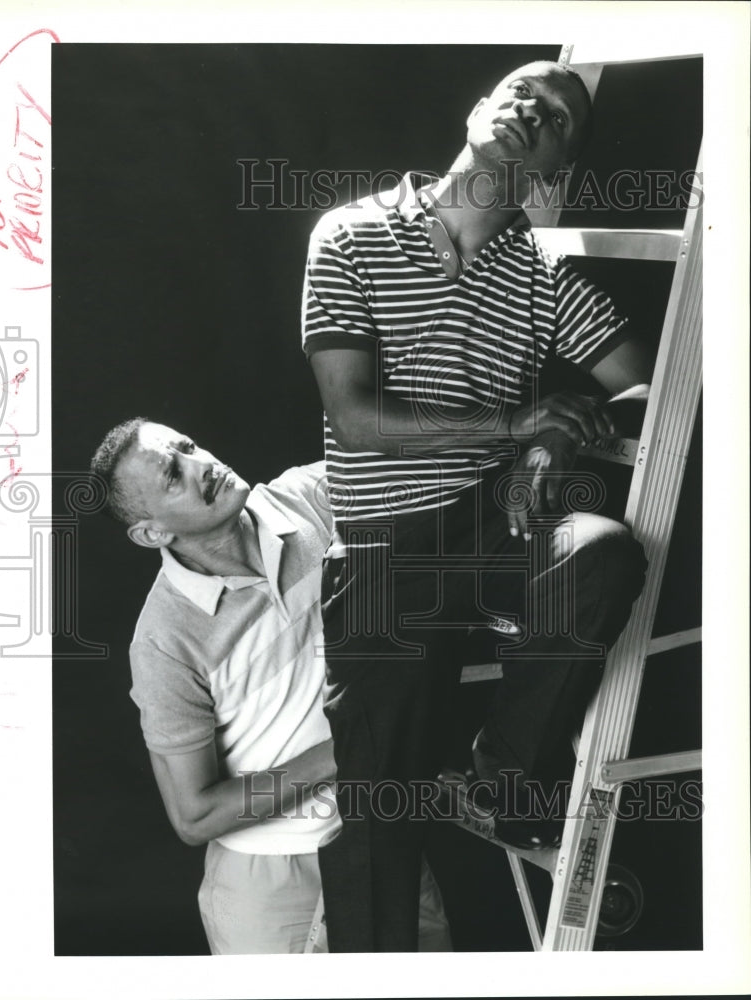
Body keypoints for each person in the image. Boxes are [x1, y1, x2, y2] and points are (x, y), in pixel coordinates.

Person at [301, 60, 650, 951]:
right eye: (522, 90)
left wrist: (559, 437)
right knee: (377, 827)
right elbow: (358, 418)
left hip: (489, 536)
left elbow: (646, 383)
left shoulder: (539, 276)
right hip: (382, 557)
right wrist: (517, 421)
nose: (536, 106)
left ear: (554, 168)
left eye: (562, 115)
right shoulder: (351, 232)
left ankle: (497, 784)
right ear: (478, 108)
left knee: (603, 549)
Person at [89, 417, 451, 954]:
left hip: (383, 837)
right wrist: (345, 750)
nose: (200, 465)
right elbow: (196, 814)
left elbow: (420, 466)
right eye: (172, 475)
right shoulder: (164, 639)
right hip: (268, 885)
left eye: (189, 446)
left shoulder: (308, 497)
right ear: (152, 533)